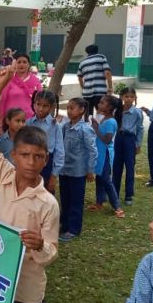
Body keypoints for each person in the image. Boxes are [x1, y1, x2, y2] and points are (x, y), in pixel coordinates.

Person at [0, 66, 59, 303]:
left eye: (38, 156)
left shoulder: (48, 204)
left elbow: (51, 253)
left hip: (26, 289)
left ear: (45, 160)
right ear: (14, 155)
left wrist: (38, 246)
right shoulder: (0, 173)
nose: (31, 162)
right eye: (25, 155)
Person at [59, 97, 98, 242]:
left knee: (76, 200)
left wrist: (90, 169)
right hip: (65, 170)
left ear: (81, 110)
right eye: (68, 108)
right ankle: (64, 225)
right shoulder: (65, 127)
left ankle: (74, 229)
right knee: (65, 198)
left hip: (78, 171)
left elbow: (92, 150)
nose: (69, 111)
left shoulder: (85, 129)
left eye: (72, 108)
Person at [88, 95, 124, 218]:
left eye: (102, 103)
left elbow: (107, 140)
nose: (99, 104)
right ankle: (99, 202)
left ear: (109, 108)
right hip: (99, 153)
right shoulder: (103, 118)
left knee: (106, 180)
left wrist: (96, 129)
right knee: (99, 177)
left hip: (105, 155)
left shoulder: (110, 122)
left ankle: (117, 206)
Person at [26, 91, 65, 194]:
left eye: (45, 106)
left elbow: (59, 151)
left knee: (45, 194)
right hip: (29, 161)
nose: (40, 109)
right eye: (38, 104)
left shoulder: (55, 125)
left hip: (47, 164)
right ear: (34, 103)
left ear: (51, 107)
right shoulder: (28, 123)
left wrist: (54, 176)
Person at [113, 87, 143, 205]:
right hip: (118, 139)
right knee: (117, 166)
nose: (129, 99)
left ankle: (129, 195)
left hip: (130, 139)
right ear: (121, 97)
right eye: (126, 96)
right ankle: (114, 192)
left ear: (135, 98)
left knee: (130, 167)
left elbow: (140, 129)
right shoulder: (117, 110)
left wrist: (138, 144)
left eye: (131, 96)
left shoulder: (137, 112)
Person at [0, 55, 42, 124]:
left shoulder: (35, 81)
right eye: (19, 62)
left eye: (24, 62)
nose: (22, 64)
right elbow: (2, 101)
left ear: (28, 65)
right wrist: (0, 121)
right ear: (15, 65)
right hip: (11, 120)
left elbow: (41, 101)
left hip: (30, 121)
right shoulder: (9, 80)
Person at [77, 44, 113, 120]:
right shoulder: (101, 57)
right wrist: (110, 87)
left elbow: (80, 78)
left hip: (87, 93)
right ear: (96, 50)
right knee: (102, 113)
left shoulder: (82, 62)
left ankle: (88, 130)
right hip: (100, 91)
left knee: (87, 115)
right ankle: (100, 130)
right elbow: (107, 73)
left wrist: (84, 88)